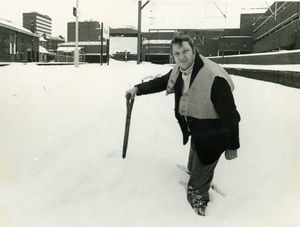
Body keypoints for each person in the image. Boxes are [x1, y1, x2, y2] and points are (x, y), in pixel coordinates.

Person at [125, 33, 240, 216]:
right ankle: (197, 176)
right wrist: (137, 89)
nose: (182, 56)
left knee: (195, 187)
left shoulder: (213, 76)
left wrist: (232, 146)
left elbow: (231, 116)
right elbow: (162, 82)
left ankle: (199, 209)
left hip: (213, 136)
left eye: (185, 51)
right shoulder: (179, 70)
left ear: (194, 51)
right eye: (177, 53)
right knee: (192, 166)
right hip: (196, 130)